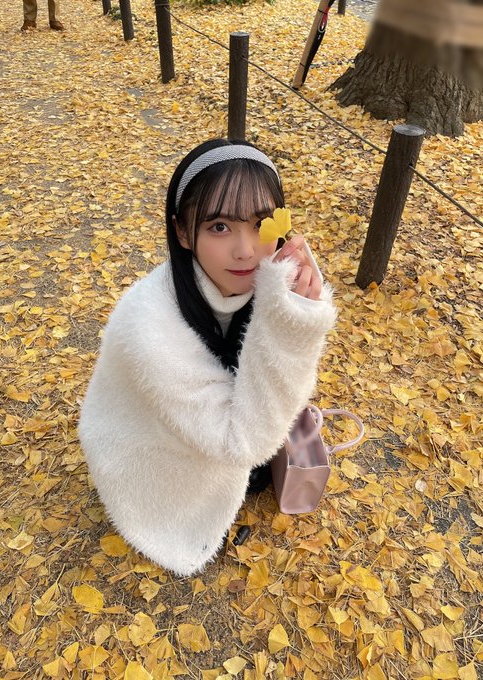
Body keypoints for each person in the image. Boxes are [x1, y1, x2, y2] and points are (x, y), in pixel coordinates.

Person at [78, 139, 337, 577]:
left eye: (261, 224)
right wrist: (292, 328)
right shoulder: (148, 323)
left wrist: (291, 305)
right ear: (182, 232)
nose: (246, 250)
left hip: (221, 427)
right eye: (219, 226)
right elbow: (242, 443)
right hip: (147, 452)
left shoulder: (264, 283)